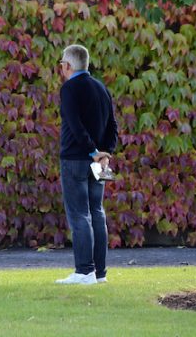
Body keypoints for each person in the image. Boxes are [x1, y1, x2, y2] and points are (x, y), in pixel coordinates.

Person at [56, 44, 118, 285]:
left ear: (68, 65)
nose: (61, 68)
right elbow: (113, 126)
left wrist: (93, 151)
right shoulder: (101, 88)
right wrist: (106, 153)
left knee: (80, 214)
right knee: (97, 212)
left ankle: (84, 271)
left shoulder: (70, 88)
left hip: (76, 159)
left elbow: (74, 124)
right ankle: (99, 272)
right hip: (100, 162)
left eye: (62, 63)